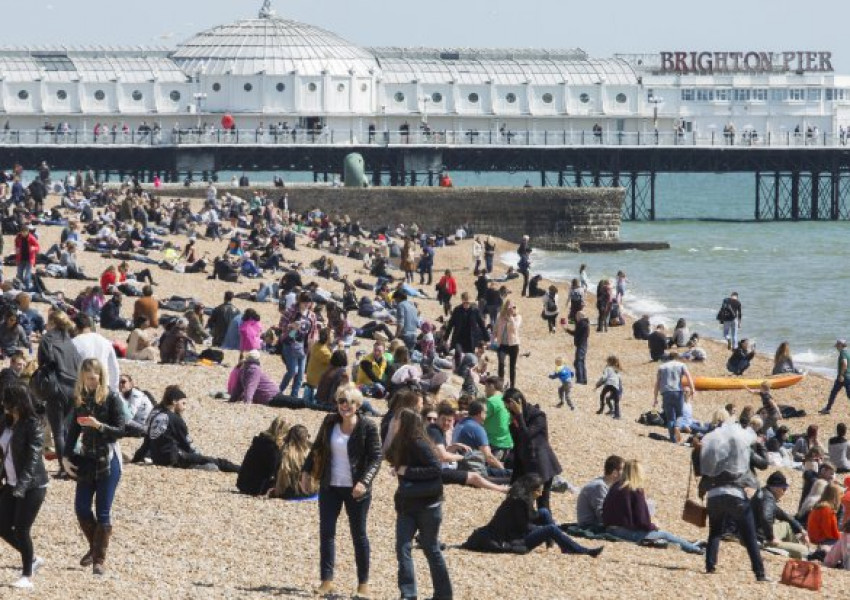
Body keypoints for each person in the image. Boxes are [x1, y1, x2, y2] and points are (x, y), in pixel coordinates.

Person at [300, 385, 382, 598]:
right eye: (341, 401)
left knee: (359, 535)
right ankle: (326, 581)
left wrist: (364, 481)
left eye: (350, 402)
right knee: (327, 533)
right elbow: (317, 447)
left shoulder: (368, 427)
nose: (345, 405)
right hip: (330, 486)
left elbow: (376, 458)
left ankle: (363, 584)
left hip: (356, 489)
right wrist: (306, 471)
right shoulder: (329, 422)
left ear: (358, 404)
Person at [61, 358, 126, 575]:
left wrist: (98, 425)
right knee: (81, 508)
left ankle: (99, 560)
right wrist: (65, 457)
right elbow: (72, 432)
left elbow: (121, 429)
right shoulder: (81, 399)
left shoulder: (112, 397)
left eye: (93, 378)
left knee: (103, 511)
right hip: (87, 458)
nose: (89, 382)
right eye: (86, 378)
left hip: (108, 459)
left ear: (101, 377)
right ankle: (94, 547)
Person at [385, 409, 452, 600]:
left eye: (396, 420)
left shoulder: (420, 443)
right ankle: (408, 594)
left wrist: (407, 471)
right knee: (402, 547)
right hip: (407, 505)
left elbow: (436, 468)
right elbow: (388, 455)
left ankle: (443, 595)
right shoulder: (401, 442)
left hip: (428, 506)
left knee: (431, 548)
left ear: (404, 422)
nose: (393, 422)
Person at [462, 473, 603, 557]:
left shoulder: (521, 498)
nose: (541, 494)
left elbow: (529, 519)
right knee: (551, 529)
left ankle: (555, 542)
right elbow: (524, 528)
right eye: (538, 491)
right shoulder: (519, 503)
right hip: (512, 540)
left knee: (544, 512)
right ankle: (579, 550)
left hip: (514, 533)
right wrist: (545, 530)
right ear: (530, 489)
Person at [698, 416, 768, 578]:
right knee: (750, 535)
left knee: (714, 532)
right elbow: (760, 469)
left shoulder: (715, 459)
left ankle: (710, 565)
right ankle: (759, 572)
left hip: (714, 496)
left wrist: (701, 492)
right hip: (735, 496)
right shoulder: (740, 458)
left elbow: (704, 481)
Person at [0, 384, 48, 589]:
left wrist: (21, 487)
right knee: (2, 526)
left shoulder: (32, 424)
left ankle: (27, 575)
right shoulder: (7, 421)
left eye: (6, 400)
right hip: (10, 482)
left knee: (21, 529)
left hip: (33, 485)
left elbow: (33, 459)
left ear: (17, 402)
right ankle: (32, 558)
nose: (3, 404)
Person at [602, 459, 703, 554]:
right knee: (665, 534)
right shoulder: (635, 489)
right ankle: (696, 549)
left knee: (662, 537)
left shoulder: (615, 486)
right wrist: (653, 527)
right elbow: (642, 520)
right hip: (624, 532)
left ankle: (690, 545)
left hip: (609, 529)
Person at [143, 385, 239, 472]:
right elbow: (185, 444)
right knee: (215, 461)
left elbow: (147, 441)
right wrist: (196, 457)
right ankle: (240, 469)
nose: (185, 407)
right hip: (171, 458)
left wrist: (135, 459)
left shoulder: (156, 415)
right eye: (183, 403)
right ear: (174, 401)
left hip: (156, 458)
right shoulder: (175, 419)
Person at [32, 310, 81, 477]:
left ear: (52, 322)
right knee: (67, 429)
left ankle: (63, 468)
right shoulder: (70, 341)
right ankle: (71, 464)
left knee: (58, 431)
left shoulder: (47, 339)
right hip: (73, 386)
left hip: (57, 387)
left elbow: (43, 362)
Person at [504, 388, 562, 510]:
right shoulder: (515, 420)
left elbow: (526, 437)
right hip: (525, 465)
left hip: (541, 465)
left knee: (542, 503)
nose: (509, 410)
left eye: (511, 407)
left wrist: (519, 416)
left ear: (519, 402)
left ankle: (547, 526)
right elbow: (518, 444)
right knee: (519, 500)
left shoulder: (538, 416)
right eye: (508, 408)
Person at [752, 471, 809, 559]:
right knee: (804, 550)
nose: (784, 492)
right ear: (775, 488)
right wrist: (771, 538)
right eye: (784, 489)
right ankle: (803, 556)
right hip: (760, 538)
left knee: (786, 525)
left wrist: (802, 530)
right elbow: (765, 517)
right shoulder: (768, 499)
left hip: (756, 531)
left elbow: (783, 515)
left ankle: (795, 549)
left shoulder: (764, 492)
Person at [278, 292, 318, 398]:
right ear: (300, 301)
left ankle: (294, 395)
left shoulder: (312, 315)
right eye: (304, 302)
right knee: (292, 371)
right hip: (290, 342)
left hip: (303, 346)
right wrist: (291, 325)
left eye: (308, 302)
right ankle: (279, 391)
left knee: (300, 374)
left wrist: (312, 341)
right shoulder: (291, 311)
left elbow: (314, 331)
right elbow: (281, 325)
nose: (306, 304)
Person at [236, 417, 289, 496]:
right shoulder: (273, 449)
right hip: (256, 488)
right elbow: (275, 471)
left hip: (242, 484)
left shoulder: (259, 441)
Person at [652, 352, 696, 443]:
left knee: (670, 417)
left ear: (669, 358)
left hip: (666, 393)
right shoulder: (681, 365)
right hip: (678, 392)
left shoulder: (662, 367)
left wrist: (655, 398)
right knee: (680, 414)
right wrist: (693, 389)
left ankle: (673, 439)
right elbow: (688, 377)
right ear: (677, 358)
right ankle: (677, 426)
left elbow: (657, 383)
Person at [453, 401, 505, 474]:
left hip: (459, 467)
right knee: (509, 474)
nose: (486, 415)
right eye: (485, 412)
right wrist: (503, 469)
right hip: (474, 470)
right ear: (480, 413)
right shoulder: (477, 428)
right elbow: (489, 458)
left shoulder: (460, 423)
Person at [72, 315, 120, 391]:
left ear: (75, 328)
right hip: (103, 385)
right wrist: (114, 389)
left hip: (84, 387)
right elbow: (114, 368)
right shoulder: (105, 341)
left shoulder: (74, 342)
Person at [576, 455, 624, 529]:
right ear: (615, 473)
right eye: (624, 470)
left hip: (596, 524)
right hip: (590, 526)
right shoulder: (599, 487)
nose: (626, 474)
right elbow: (602, 515)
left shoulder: (606, 484)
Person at [270, 425, 318, 499]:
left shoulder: (283, 453)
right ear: (306, 438)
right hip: (312, 493)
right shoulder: (312, 453)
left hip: (289, 494)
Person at [444, 292, 489, 360]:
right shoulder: (457, 310)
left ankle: (466, 369)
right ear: (462, 301)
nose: (466, 304)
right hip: (459, 338)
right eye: (465, 302)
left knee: (470, 357)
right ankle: (458, 369)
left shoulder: (475, 311)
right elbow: (450, 324)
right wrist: (445, 338)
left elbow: (481, 325)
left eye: (468, 303)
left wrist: (487, 338)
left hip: (470, 338)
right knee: (458, 353)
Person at [481, 376, 513, 462]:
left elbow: (480, 418)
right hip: (507, 442)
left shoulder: (492, 401)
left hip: (494, 443)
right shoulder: (505, 400)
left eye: (486, 387)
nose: (485, 391)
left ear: (491, 386)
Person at [493, 299, 521, 389]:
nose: (510, 309)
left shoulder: (518, 317)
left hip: (513, 344)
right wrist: (493, 339)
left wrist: (511, 317)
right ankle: (500, 384)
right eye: (509, 307)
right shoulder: (500, 316)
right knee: (501, 363)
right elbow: (495, 328)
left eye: (513, 307)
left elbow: (515, 328)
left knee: (512, 366)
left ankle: (512, 386)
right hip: (502, 345)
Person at [821, 339, 850, 415]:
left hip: (843, 377)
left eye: (837, 345)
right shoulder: (848, 352)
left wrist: (841, 375)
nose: (836, 347)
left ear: (840, 345)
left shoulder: (843, 353)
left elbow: (845, 363)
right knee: (836, 393)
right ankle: (827, 409)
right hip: (848, 376)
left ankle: (827, 409)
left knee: (834, 393)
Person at [563, 311, 589, 385]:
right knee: (580, 362)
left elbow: (575, 333)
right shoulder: (584, 323)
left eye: (576, 317)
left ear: (579, 317)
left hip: (581, 345)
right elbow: (575, 328)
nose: (576, 318)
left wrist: (567, 329)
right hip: (583, 345)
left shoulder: (582, 324)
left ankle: (580, 380)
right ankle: (583, 379)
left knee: (578, 362)